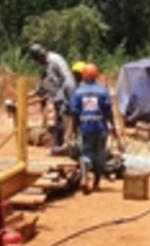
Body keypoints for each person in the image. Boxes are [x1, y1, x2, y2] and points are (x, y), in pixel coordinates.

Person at [71, 63, 115, 194]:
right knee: (100, 154)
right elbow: (108, 111)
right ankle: (96, 183)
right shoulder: (102, 91)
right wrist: (112, 125)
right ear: (96, 76)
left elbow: (74, 112)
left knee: (86, 152)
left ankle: (84, 177)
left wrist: (75, 129)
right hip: (100, 127)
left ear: (83, 76)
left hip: (85, 127)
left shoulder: (78, 92)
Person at [27, 43, 77, 149]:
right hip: (57, 98)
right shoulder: (46, 64)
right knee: (59, 122)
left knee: (65, 122)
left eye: (38, 60)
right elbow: (46, 83)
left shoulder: (55, 60)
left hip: (65, 96)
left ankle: (66, 146)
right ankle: (59, 145)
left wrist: (70, 97)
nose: (38, 63)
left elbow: (68, 79)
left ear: (40, 55)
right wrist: (33, 93)